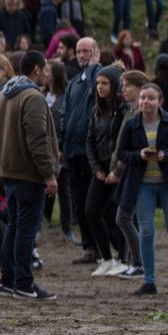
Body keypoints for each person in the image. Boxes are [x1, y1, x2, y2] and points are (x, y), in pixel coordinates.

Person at [0, 50, 59, 300]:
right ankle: (24, 283)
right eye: (46, 68)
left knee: (15, 227)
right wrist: (49, 174)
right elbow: (38, 139)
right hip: (29, 174)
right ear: (37, 70)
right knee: (26, 231)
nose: (47, 73)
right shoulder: (33, 97)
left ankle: (8, 281)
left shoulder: (1, 96)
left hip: (8, 172)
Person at [116, 83, 168, 294]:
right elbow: (122, 153)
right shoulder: (132, 124)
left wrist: (166, 155)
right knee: (146, 231)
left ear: (160, 101)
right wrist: (138, 155)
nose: (146, 102)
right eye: (143, 97)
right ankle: (149, 280)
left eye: (151, 98)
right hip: (143, 185)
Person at [56, 37, 102, 259]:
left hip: (92, 152)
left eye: (86, 51)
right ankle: (89, 247)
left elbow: (98, 97)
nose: (81, 55)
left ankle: (105, 246)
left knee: (98, 204)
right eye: (79, 51)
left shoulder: (102, 78)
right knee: (79, 202)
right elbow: (65, 115)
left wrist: (94, 69)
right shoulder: (73, 83)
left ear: (96, 52)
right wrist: (61, 143)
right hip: (73, 151)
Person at [83, 65, 128, 276]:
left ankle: (124, 257)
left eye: (104, 83)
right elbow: (89, 141)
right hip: (100, 170)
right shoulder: (96, 110)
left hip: (119, 170)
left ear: (114, 85)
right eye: (98, 83)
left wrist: (116, 170)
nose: (100, 87)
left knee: (119, 215)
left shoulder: (124, 110)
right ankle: (106, 258)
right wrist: (95, 168)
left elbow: (124, 143)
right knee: (91, 210)